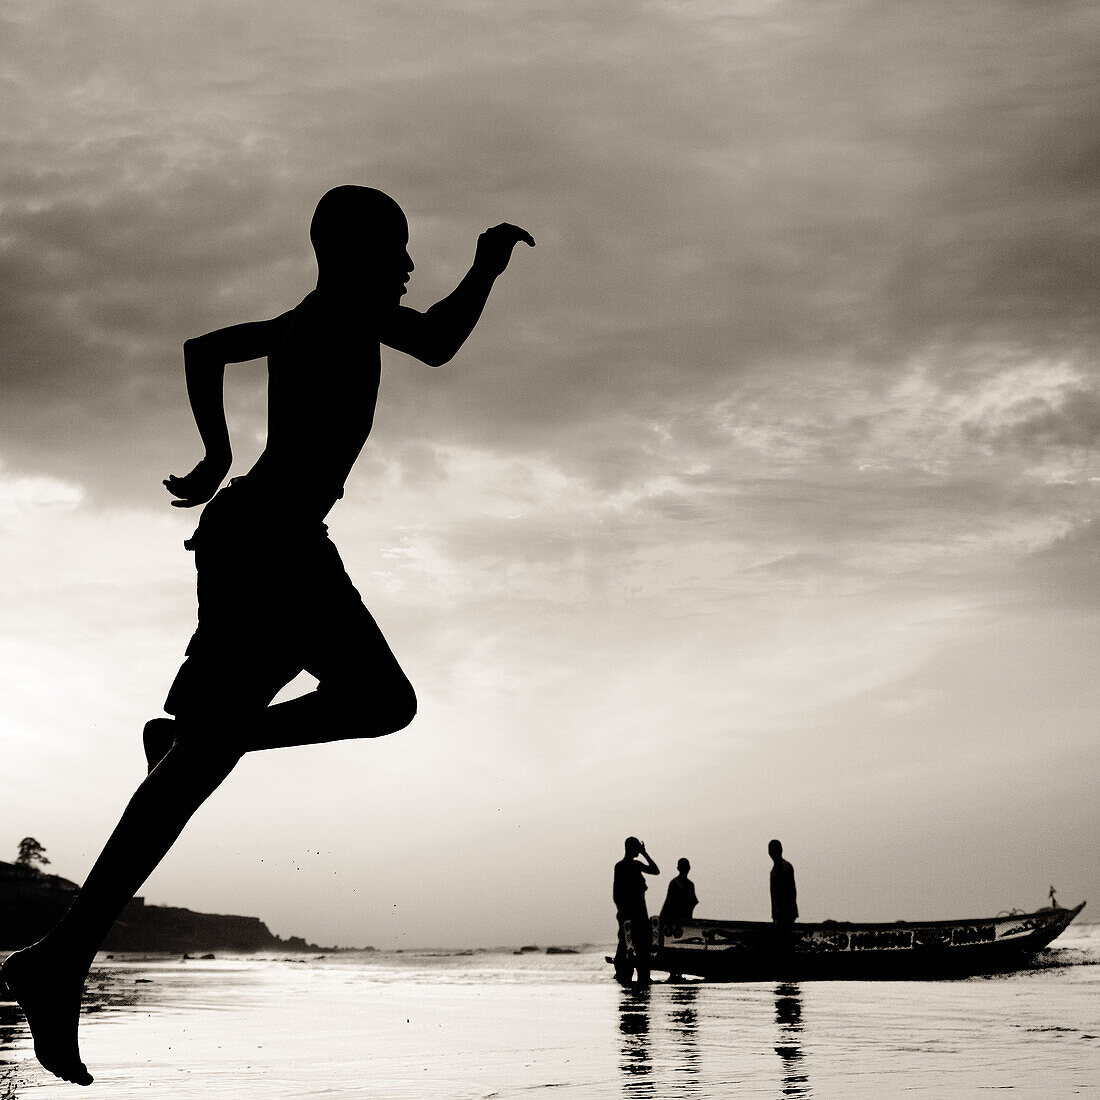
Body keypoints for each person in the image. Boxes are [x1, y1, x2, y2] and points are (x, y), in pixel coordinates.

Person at [0, 185, 534, 1086]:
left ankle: (59, 959)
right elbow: (440, 342)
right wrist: (483, 268)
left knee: (187, 776)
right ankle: (68, 943)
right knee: (380, 701)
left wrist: (214, 452)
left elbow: (202, 348)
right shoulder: (347, 309)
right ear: (353, 257)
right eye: (397, 251)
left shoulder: (311, 314)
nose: (409, 267)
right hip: (277, 543)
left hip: (251, 536)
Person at [613, 837, 660, 984]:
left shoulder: (637, 865)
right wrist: (621, 911)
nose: (638, 851)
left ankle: (643, 976)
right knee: (626, 944)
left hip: (640, 911)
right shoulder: (620, 866)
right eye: (637, 848)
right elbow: (616, 892)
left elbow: (655, 870)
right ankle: (623, 974)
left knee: (643, 944)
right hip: (628, 912)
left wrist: (645, 853)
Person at [659, 857, 698, 982]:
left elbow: (670, 902)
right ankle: (676, 972)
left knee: (678, 947)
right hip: (678, 921)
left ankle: (676, 972)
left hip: (681, 921)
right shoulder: (680, 884)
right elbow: (671, 902)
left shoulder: (682, 884)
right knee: (680, 947)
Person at [768, 839, 798, 928]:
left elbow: (787, 892)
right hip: (780, 913)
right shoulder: (775, 870)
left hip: (785, 913)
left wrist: (779, 911)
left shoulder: (784, 868)